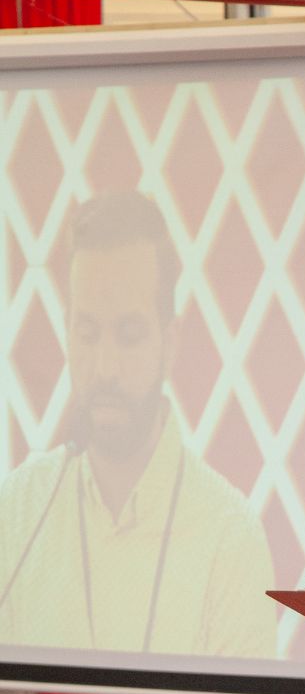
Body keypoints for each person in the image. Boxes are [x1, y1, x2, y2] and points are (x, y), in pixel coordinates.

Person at [0, 190, 275, 660]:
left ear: (170, 343)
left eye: (128, 335)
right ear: (66, 332)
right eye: (87, 333)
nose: (105, 366)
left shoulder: (229, 539)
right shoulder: (18, 513)